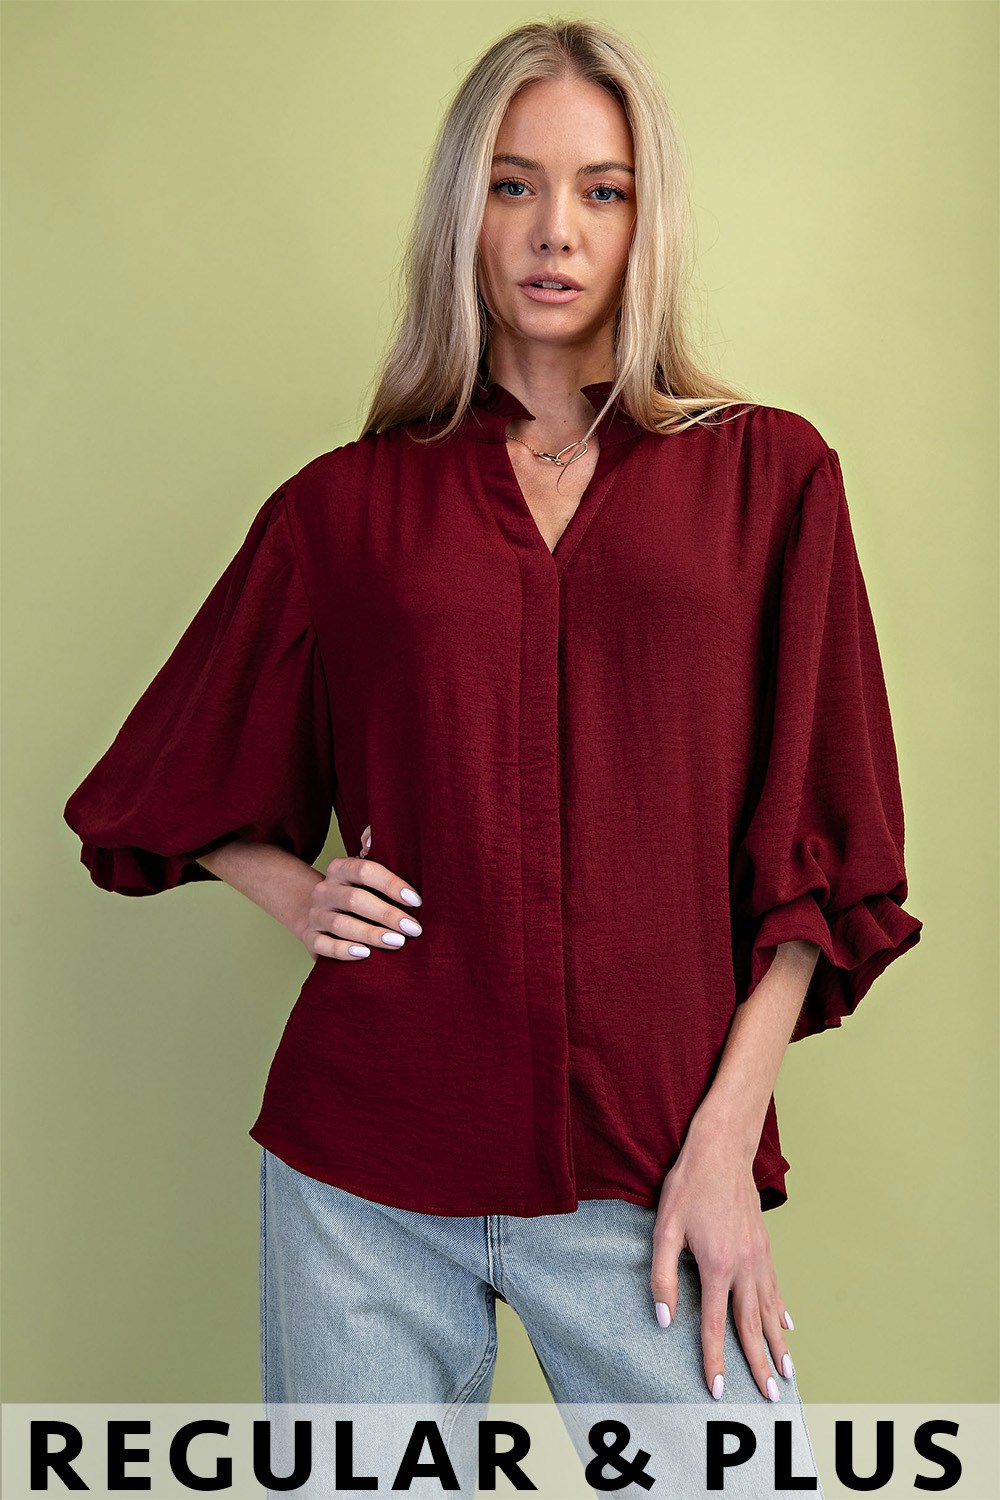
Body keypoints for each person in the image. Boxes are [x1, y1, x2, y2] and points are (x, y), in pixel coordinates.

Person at [63, 17, 922, 1498]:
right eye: (514, 185)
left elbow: (825, 855)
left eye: (603, 189)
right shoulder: (344, 508)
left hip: (656, 1169)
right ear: (464, 211)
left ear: (648, 218)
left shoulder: (770, 477)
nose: (554, 231)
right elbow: (153, 784)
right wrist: (293, 888)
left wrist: (726, 1143)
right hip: (362, 1177)